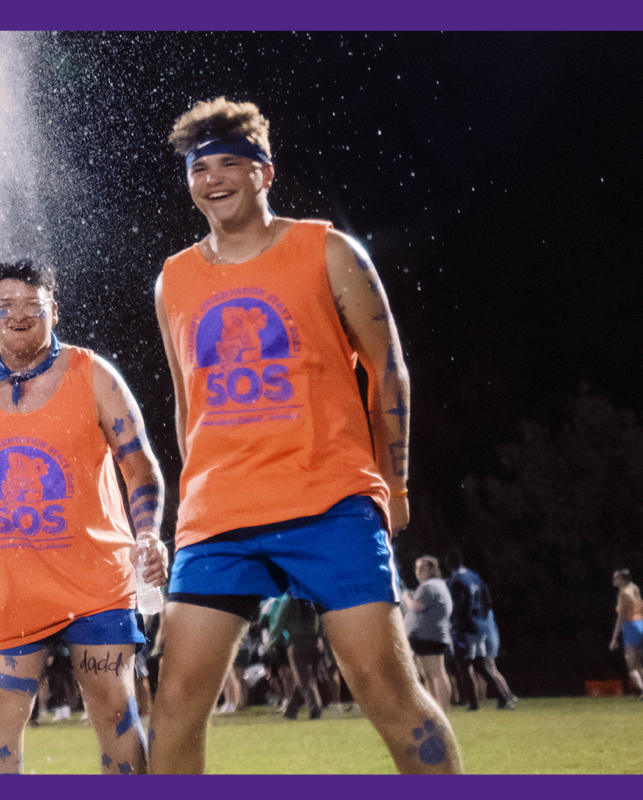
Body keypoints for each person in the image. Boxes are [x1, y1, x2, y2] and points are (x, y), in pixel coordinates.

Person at [149, 98, 458, 774]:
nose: (215, 180)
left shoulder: (328, 250)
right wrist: (191, 502)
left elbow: (389, 370)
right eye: (201, 169)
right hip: (219, 517)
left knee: (385, 689)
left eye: (232, 164)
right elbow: (185, 402)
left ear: (265, 172)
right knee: (173, 700)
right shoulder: (174, 278)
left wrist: (395, 481)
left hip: (327, 501)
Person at [0, 259, 168, 775]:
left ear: (54, 311)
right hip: (8, 582)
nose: (18, 315)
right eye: (6, 305)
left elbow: (140, 465)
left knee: (113, 707)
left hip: (96, 578)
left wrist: (148, 533)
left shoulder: (94, 374)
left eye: (32, 305)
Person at [443, 550, 517, 710]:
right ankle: (503, 697)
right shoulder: (473, 576)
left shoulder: (456, 580)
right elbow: (486, 599)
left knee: (463, 665)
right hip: (479, 625)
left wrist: (453, 620)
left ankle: (474, 704)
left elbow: (459, 605)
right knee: (479, 664)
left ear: (449, 563)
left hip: (465, 628)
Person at [405, 557, 453, 710]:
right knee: (428, 675)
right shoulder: (439, 585)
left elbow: (417, 606)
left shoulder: (429, 587)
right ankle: (434, 708)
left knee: (436, 673)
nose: (417, 572)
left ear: (431, 570)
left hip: (429, 636)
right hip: (429, 635)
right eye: (416, 568)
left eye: (421, 568)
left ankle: (442, 709)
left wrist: (406, 597)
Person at [610, 568, 643, 700]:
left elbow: (621, 617)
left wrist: (614, 639)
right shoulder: (635, 588)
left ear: (622, 579)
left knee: (631, 665)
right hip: (642, 625)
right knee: (639, 664)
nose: (614, 580)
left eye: (616, 578)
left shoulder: (623, 594)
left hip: (630, 626)